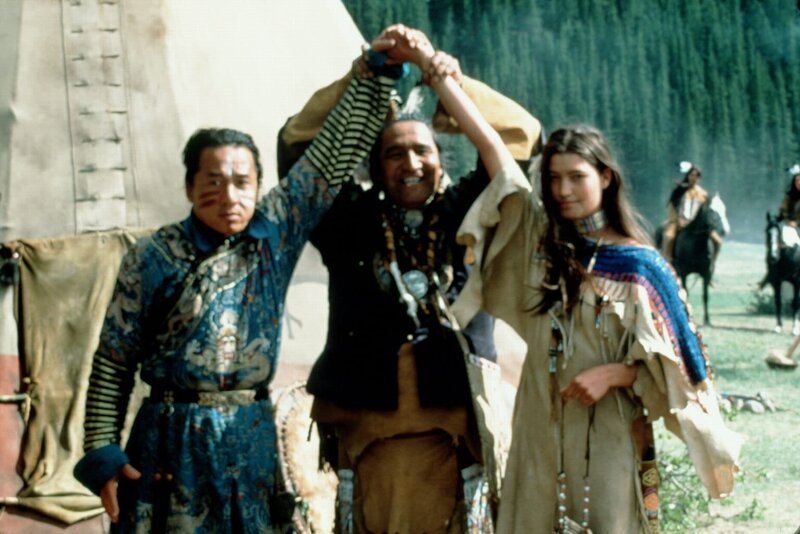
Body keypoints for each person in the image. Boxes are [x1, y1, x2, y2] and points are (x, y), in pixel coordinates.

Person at [71, 38, 398, 533]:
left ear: (258, 186)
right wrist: (103, 453)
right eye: (214, 181)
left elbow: (329, 159)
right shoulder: (153, 256)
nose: (229, 196)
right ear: (189, 186)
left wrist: (375, 76)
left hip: (250, 438)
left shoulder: (274, 234)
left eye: (242, 182)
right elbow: (113, 362)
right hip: (169, 441)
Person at [278, 25, 540, 533]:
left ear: (441, 160)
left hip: (458, 439)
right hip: (370, 441)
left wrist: (445, 81)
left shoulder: (470, 213)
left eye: (423, 150)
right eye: (394, 154)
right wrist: (360, 78)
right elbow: (295, 145)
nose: (411, 163)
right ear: (376, 169)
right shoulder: (348, 222)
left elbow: (520, 137)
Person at [451, 125, 742, 532]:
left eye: (576, 177)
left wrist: (618, 374)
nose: (563, 190)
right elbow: (496, 158)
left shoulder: (641, 266)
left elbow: (686, 372)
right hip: (536, 435)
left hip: (610, 438)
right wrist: (441, 85)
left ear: (605, 177)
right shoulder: (540, 249)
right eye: (554, 178)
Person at [661, 161, 721, 264]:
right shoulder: (680, 191)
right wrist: (678, 220)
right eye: (692, 175)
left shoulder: (703, 194)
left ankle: (712, 263)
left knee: (717, 241)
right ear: (687, 176)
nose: (694, 178)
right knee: (669, 237)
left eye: (696, 176)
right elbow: (672, 207)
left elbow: (707, 211)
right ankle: (666, 262)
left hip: (698, 224)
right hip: (679, 222)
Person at [777, 164, 800, 247]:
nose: (799, 183)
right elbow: (783, 210)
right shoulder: (789, 197)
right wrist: (788, 221)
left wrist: (797, 223)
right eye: (797, 180)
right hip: (790, 227)